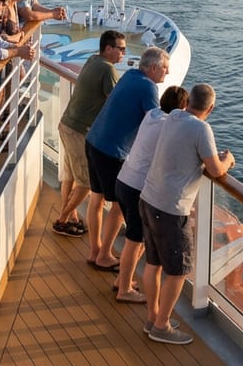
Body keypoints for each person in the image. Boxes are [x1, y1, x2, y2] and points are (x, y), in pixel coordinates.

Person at [140, 83, 234, 345]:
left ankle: (153, 318)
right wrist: (228, 159)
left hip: (148, 198)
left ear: (188, 101)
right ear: (211, 108)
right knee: (179, 272)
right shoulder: (202, 128)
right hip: (171, 208)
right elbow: (216, 170)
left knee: (153, 264)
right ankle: (161, 327)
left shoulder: (173, 116)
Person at [83, 46, 169, 271]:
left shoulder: (130, 75)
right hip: (111, 151)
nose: (167, 73)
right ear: (153, 68)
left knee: (97, 198)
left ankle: (95, 251)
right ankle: (104, 256)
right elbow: (156, 122)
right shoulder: (148, 87)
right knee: (119, 207)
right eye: (165, 69)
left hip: (93, 141)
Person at [113, 85, 188, 304]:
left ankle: (122, 280)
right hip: (137, 187)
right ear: (181, 108)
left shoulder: (152, 115)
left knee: (137, 240)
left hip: (124, 179)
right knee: (134, 241)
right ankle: (124, 288)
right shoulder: (168, 126)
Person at [51, 30, 125, 241]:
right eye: (120, 49)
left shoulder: (93, 60)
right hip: (79, 131)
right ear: (108, 48)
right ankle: (62, 219)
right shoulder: (108, 69)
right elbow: (114, 102)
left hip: (67, 124)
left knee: (71, 175)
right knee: (84, 183)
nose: (123, 53)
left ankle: (71, 216)